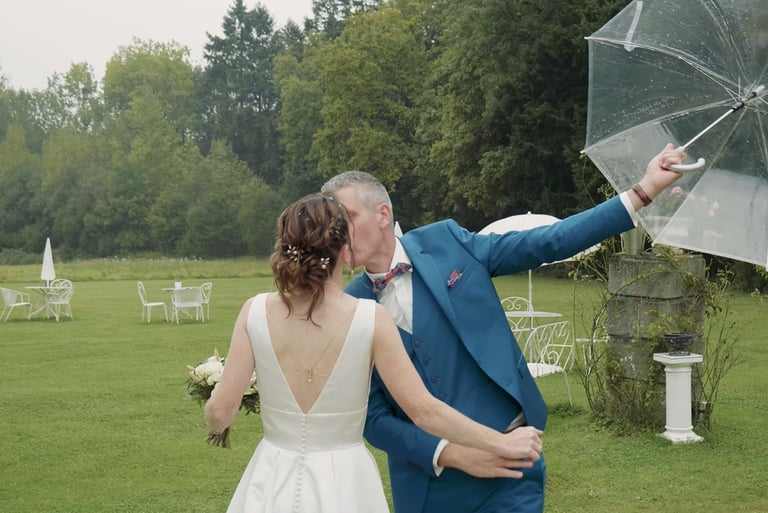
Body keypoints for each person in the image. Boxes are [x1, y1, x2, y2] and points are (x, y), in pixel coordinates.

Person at [320, 143, 686, 513]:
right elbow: (372, 417)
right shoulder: (347, 307)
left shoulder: (447, 243)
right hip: (428, 486)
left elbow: (550, 241)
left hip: (510, 469)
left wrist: (643, 192)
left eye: (346, 217)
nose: (337, 232)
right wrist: (451, 454)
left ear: (382, 214)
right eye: (330, 223)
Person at [204, 193, 544, 513]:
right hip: (346, 482)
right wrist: (500, 443)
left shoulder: (254, 311)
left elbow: (220, 414)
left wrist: (214, 400)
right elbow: (424, 411)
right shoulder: (371, 317)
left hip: (272, 474)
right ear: (343, 250)